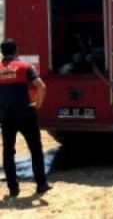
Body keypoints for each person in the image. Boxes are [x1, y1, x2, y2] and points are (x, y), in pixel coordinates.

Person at [0, 39, 50, 198]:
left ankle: (13, 189)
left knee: (8, 153)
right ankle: (41, 184)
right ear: (16, 50)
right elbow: (41, 86)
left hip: (7, 117)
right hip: (26, 115)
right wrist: (38, 104)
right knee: (35, 149)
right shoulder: (24, 67)